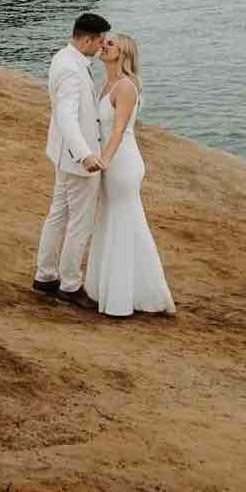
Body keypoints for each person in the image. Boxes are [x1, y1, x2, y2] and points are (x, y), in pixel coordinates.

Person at [85, 33, 176, 317]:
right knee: (112, 220)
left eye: (111, 44)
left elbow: (119, 129)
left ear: (123, 55)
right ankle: (110, 289)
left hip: (122, 163)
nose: (104, 45)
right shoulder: (106, 84)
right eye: (105, 42)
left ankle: (124, 297)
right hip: (110, 161)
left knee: (124, 221)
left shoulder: (125, 87)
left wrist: (104, 160)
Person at [33, 13, 111, 309]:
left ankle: (45, 276)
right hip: (76, 159)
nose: (102, 47)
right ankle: (69, 284)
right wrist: (85, 155)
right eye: (100, 41)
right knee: (79, 223)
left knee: (57, 215)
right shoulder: (70, 68)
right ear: (88, 39)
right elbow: (66, 116)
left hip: (63, 155)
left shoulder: (65, 58)